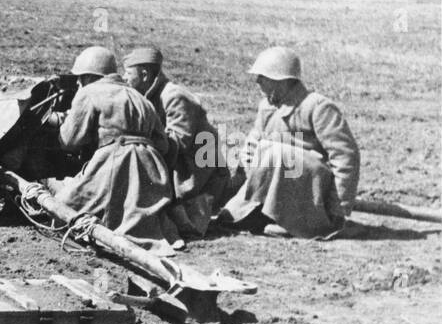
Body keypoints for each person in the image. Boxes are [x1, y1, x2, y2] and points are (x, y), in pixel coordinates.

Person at [219, 46, 361, 238]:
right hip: (274, 184)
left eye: (263, 76)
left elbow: (345, 157)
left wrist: (338, 210)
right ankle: (264, 212)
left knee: (279, 153)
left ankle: (295, 223)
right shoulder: (267, 107)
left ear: (281, 81)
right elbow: (252, 145)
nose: (257, 81)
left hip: (312, 193)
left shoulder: (317, 107)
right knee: (229, 218)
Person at [43, 46, 176, 241]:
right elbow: (163, 145)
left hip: (113, 162)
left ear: (89, 76)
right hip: (152, 172)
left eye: (80, 77)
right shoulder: (142, 99)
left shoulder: (89, 92)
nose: (79, 82)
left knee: (61, 207)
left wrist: (62, 122)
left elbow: (69, 141)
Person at [122, 46, 231, 237]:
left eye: (128, 73)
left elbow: (178, 144)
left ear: (145, 75)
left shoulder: (174, 96)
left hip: (194, 171)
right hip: (179, 164)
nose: (124, 77)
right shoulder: (148, 95)